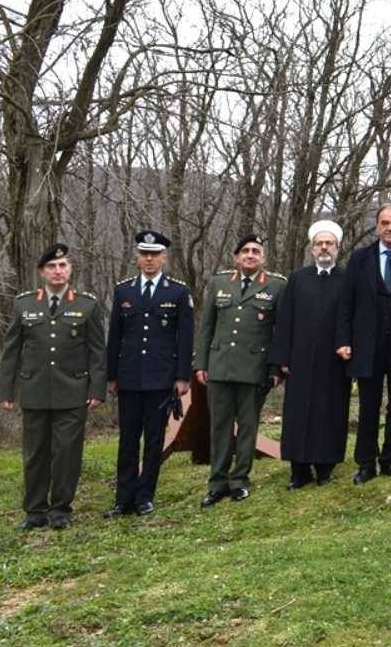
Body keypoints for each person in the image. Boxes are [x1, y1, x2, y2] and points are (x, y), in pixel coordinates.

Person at [0, 244, 107, 530]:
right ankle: (34, 511)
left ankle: (60, 509)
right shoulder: (24, 304)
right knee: (35, 454)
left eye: (62, 266)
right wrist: (6, 391)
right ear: (41, 272)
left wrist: (97, 390)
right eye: (51, 267)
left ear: (70, 270)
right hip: (34, 391)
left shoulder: (87, 304)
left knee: (66, 454)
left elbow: (97, 351)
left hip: (73, 392)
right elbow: (12, 350)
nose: (57, 272)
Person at [103, 230, 193, 517]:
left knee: (154, 440)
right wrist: (112, 375)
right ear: (137, 257)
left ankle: (145, 496)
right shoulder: (124, 291)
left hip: (161, 378)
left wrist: (182, 377)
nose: (150, 259)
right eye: (145, 254)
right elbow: (114, 336)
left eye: (155, 255)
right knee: (128, 439)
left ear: (164, 257)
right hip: (129, 377)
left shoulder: (178, 292)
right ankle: (123, 498)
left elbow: (185, 337)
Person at [194, 234, 286, 506]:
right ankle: (217, 482)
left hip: (254, 369)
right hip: (220, 367)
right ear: (236, 257)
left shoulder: (277, 285)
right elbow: (207, 326)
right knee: (219, 426)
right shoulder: (220, 282)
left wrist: (274, 368)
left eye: (256, 251)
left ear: (263, 257)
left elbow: (279, 331)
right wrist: (201, 363)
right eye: (245, 251)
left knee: (247, 427)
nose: (250, 255)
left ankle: (239, 480)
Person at [336, 203, 391, 483]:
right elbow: (346, 303)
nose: (390, 228)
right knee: (368, 405)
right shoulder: (360, 259)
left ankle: (390, 460)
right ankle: (366, 463)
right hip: (367, 345)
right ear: (377, 226)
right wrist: (344, 340)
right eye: (385, 223)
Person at [270, 221, 353, 488]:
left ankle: (325, 467)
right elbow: (285, 320)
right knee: (299, 413)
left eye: (329, 243)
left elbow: (353, 318)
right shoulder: (298, 278)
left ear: (338, 247)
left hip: (334, 360)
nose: (324, 247)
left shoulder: (348, 280)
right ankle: (299, 470)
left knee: (329, 411)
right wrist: (281, 358)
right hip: (300, 359)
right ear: (312, 248)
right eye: (319, 243)